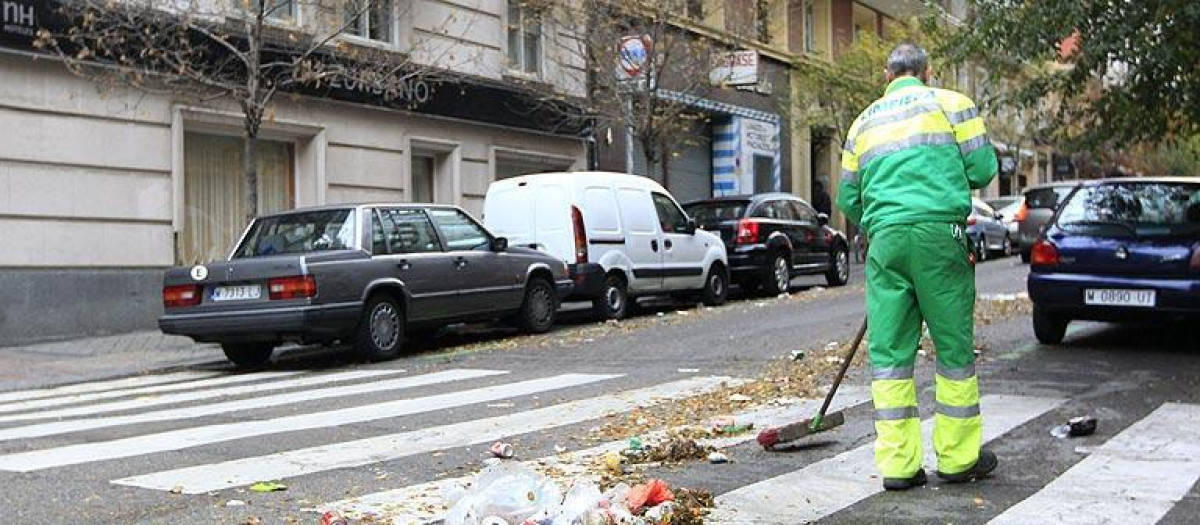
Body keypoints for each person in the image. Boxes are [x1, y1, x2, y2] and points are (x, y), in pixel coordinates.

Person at [835, 43, 999, 491]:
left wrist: (885, 216)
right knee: (953, 351)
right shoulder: (952, 105)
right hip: (939, 237)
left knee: (889, 357)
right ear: (928, 72)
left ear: (886, 76)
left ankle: (900, 466)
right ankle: (958, 458)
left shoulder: (863, 122)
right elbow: (983, 168)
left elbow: (847, 198)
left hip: (885, 241)